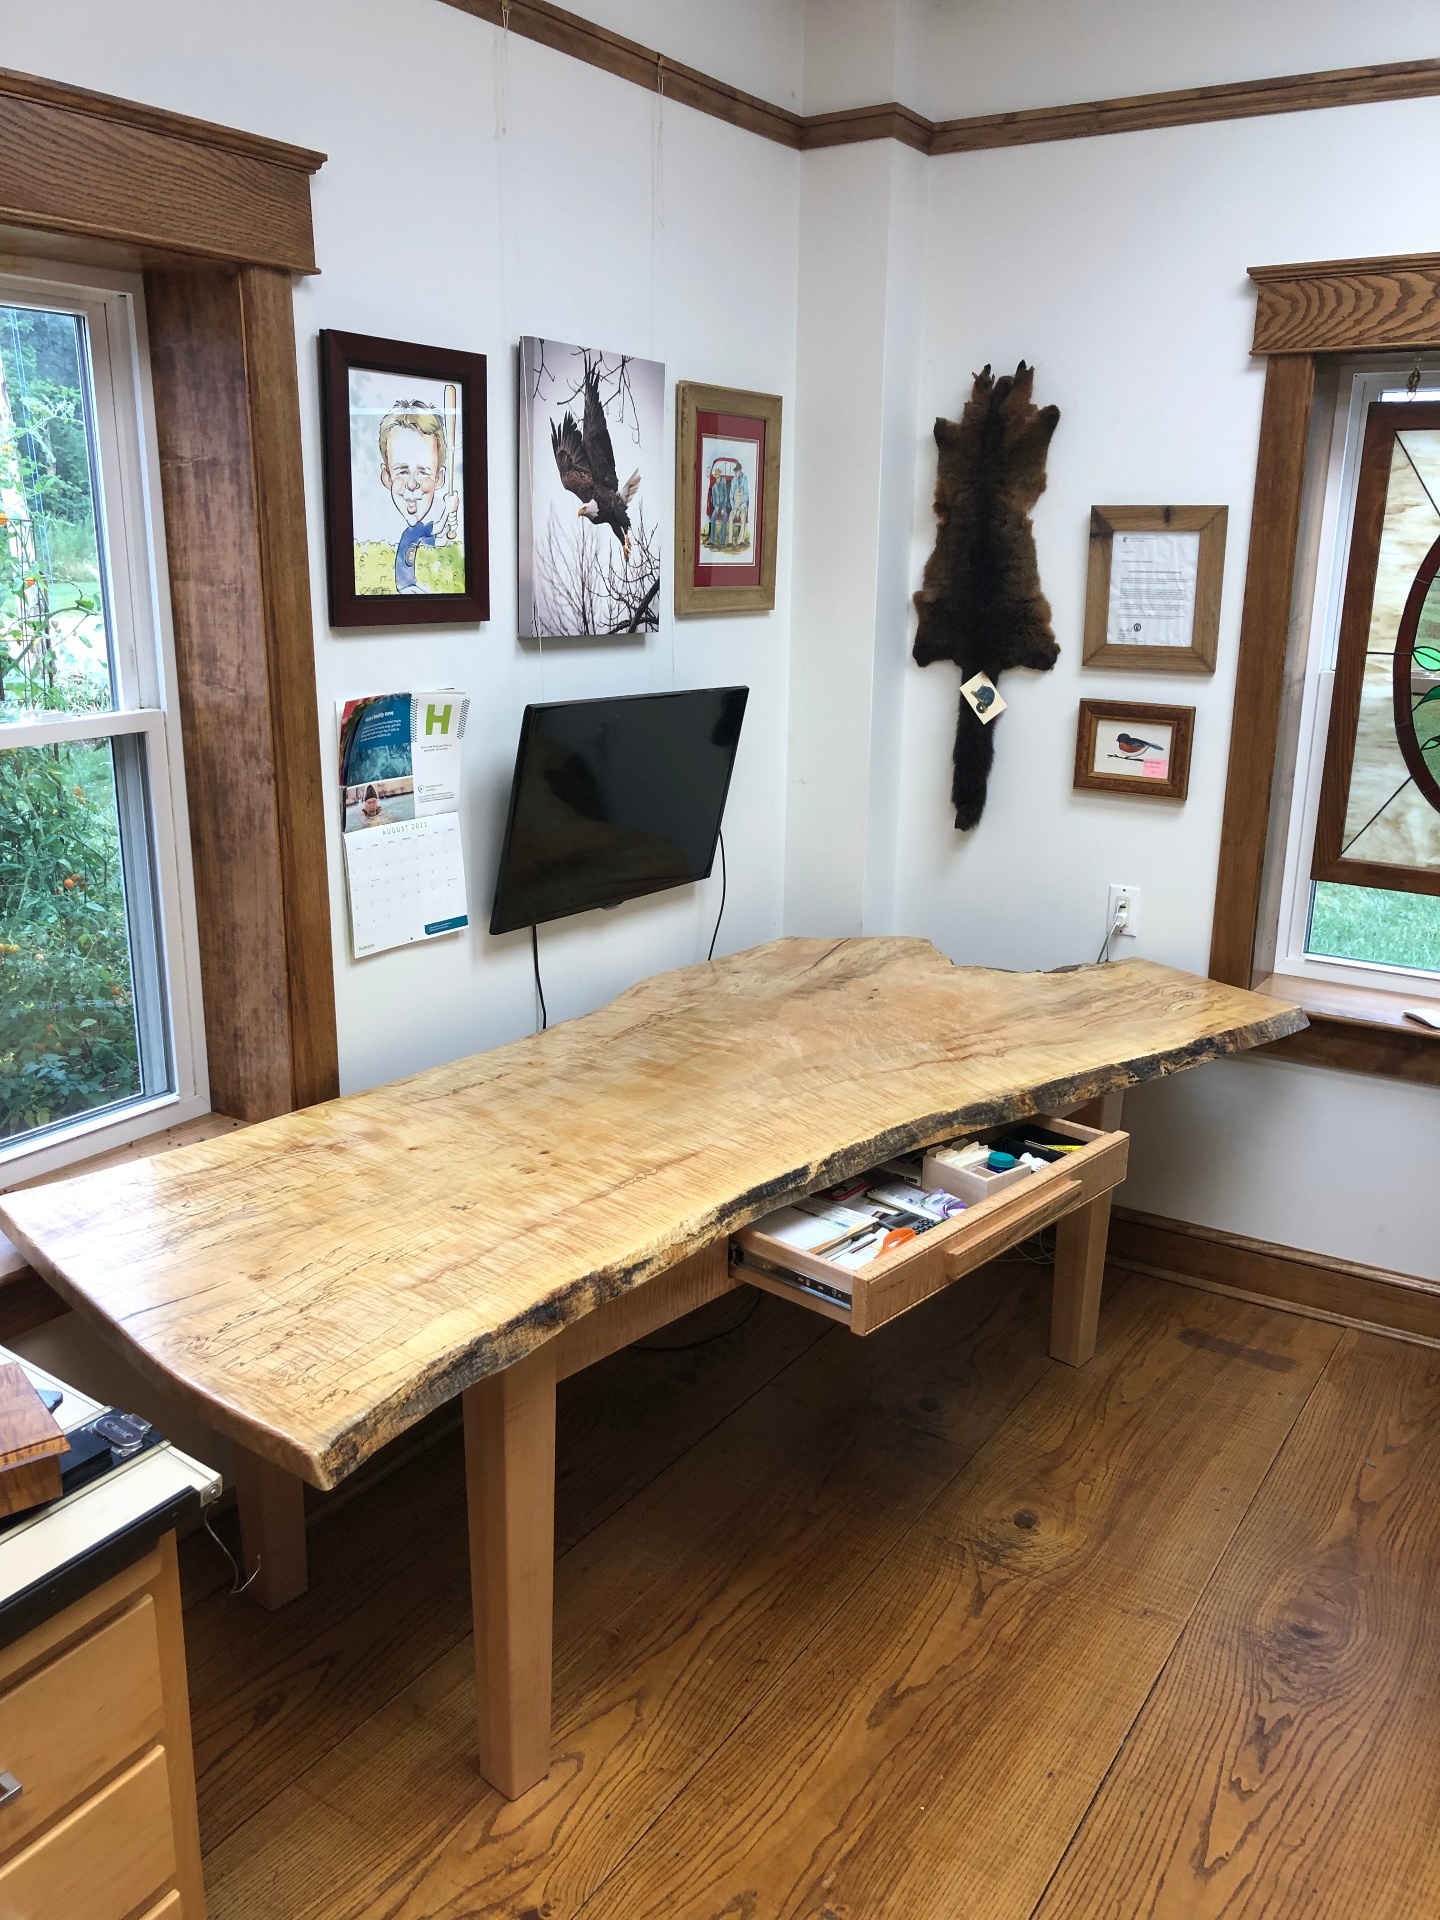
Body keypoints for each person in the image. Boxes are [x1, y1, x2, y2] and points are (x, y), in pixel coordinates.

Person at [377, 402, 459, 594]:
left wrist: (449, 533)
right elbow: (437, 528)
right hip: (404, 588)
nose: (412, 484)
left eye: (422, 472)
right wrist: (448, 509)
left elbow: (438, 541)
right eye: (402, 471)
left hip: (410, 587)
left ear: (439, 479)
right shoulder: (411, 533)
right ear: (386, 477)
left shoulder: (418, 531)